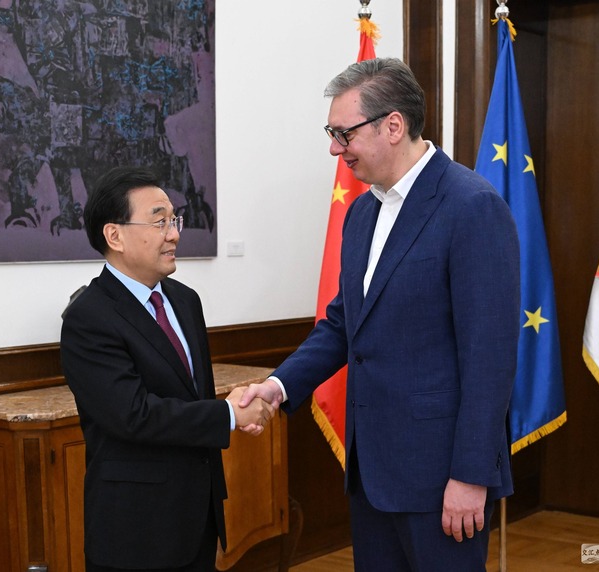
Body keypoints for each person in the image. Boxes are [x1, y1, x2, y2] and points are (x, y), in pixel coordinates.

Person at [239, 58, 520, 571]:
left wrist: (471, 475)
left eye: (343, 133)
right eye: (332, 134)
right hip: (371, 471)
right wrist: (278, 387)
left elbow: (490, 359)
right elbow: (344, 324)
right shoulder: (362, 211)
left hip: (441, 478)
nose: (334, 148)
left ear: (393, 125)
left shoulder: (471, 206)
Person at [60, 166, 273, 572]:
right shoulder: (89, 318)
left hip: (197, 518)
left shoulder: (185, 300)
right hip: (136, 530)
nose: (174, 234)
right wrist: (228, 414)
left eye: (175, 220)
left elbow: (192, 395)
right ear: (114, 235)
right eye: (159, 222)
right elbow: (133, 415)